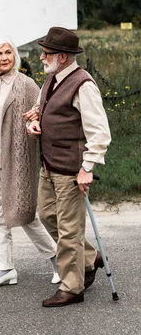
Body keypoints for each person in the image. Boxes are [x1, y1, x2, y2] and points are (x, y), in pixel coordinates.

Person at [26, 27, 111, 307]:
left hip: (71, 171)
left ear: (62, 56)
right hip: (49, 164)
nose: (41, 57)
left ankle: (72, 287)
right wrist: (34, 121)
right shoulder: (52, 79)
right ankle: (90, 257)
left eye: (46, 53)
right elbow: (40, 108)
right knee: (48, 216)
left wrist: (87, 168)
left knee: (69, 228)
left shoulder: (83, 84)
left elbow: (99, 133)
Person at [0, 36, 59, 288]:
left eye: (8, 52)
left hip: (17, 161)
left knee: (25, 214)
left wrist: (34, 125)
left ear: (15, 56)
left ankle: (56, 259)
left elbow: (40, 115)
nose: (4, 57)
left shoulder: (26, 84)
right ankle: (6, 268)